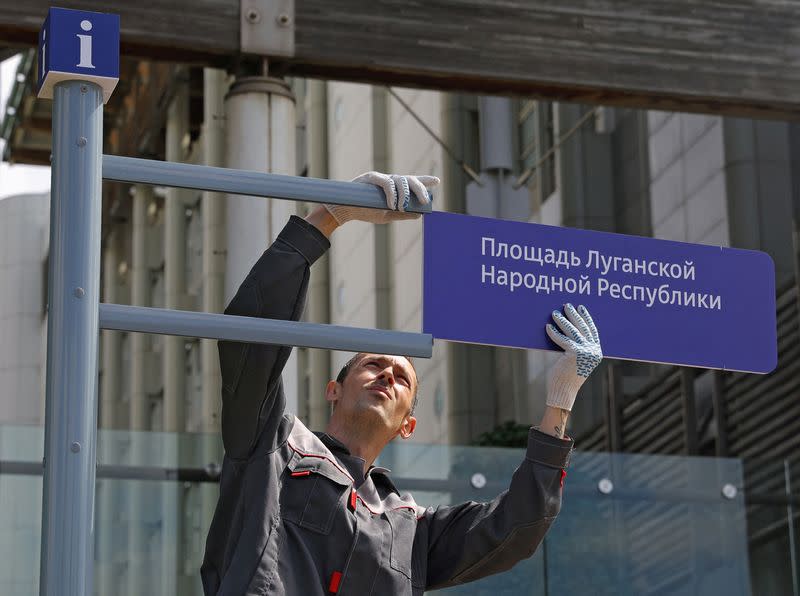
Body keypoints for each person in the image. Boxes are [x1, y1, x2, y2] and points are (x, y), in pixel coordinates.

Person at [201, 172, 603, 595]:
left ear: (407, 426)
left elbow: (517, 526)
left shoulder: (414, 528)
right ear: (332, 390)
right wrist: (330, 215)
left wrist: (562, 397)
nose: (388, 374)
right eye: (373, 364)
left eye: (403, 379)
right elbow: (250, 337)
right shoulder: (272, 444)